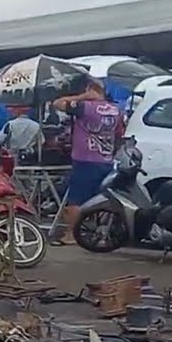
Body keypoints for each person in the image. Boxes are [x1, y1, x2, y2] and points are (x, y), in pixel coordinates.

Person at [53, 81, 124, 244]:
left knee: (76, 200)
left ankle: (72, 235)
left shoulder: (85, 107)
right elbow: (119, 133)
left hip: (85, 160)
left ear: (89, 89)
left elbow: (57, 103)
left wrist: (82, 96)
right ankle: (99, 232)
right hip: (106, 160)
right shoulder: (115, 110)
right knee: (102, 198)